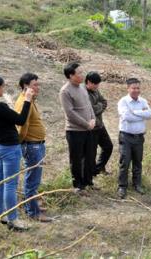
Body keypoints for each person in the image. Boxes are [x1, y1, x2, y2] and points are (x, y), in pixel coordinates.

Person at [0, 74, 34, 231]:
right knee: (10, 184)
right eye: (2, 87)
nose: (4, 89)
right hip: (10, 149)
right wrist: (27, 100)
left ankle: (0, 215)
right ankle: (13, 219)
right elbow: (21, 120)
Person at [14, 73, 52, 222]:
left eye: (38, 84)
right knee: (32, 180)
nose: (38, 87)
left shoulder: (30, 100)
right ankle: (33, 212)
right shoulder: (25, 102)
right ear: (25, 86)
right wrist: (23, 142)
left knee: (34, 179)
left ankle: (31, 204)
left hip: (36, 145)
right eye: (35, 85)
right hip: (32, 146)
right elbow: (22, 127)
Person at [59, 62, 96, 194]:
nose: (82, 75)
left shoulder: (82, 87)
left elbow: (89, 106)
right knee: (76, 159)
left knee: (89, 157)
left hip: (88, 129)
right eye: (79, 73)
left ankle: (88, 181)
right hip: (75, 131)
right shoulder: (65, 91)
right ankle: (78, 186)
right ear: (70, 75)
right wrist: (86, 124)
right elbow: (70, 113)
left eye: (82, 72)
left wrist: (93, 119)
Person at [117, 78, 151, 199]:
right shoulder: (123, 101)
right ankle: (122, 186)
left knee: (138, 161)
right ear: (128, 88)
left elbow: (149, 114)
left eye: (138, 88)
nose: (136, 90)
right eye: (133, 88)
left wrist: (135, 112)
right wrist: (141, 114)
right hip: (126, 136)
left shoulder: (143, 101)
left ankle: (137, 184)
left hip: (139, 137)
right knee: (125, 162)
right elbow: (127, 117)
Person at [85, 72, 113, 176]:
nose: (97, 86)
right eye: (95, 84)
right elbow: (89, 110)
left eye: (98, 84)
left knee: (108, 147)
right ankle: (90, 175)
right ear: (88, 82)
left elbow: (104, 102)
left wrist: (97, 107)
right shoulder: (83, 93)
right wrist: (98, 107)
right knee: (91, 154)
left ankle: (99, 168)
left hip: (100, 125)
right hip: (91, 128)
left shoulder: (96, 90)